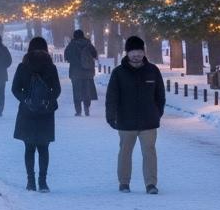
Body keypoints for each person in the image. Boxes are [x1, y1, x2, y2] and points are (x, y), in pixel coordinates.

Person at [105, 36, 165, 194]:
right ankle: (124, 182)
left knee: (149, 152)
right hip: (126, 120)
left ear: (143, 52)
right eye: (133, 52)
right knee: (125, 152)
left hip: (149, 121)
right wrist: (111, 116)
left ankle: (151, 183)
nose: (136, 55)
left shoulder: (153, 70)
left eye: (139, 51)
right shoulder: (118, 73)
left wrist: (157, 113)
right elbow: (111, 97)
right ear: (127, 53)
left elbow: (160, 95)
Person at [11, 36, 60, 192]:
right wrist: (48, 100)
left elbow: (15, 89)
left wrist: (25, 100)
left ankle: (30, 182)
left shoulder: (23, 67)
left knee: (29, 148)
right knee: (44, 149)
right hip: (45, 113)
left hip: (27, 112)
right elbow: (57, 89)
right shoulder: (51, 67)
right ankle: (43, 182)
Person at [64, 28, 99, 116]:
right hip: (87, 72)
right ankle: (87, 108)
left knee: (76, 91)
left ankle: (78, 111)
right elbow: (95, 54)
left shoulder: (71, 45)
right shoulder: (88, 44)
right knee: (87, 90)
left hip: (75, 72)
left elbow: (66, 57)